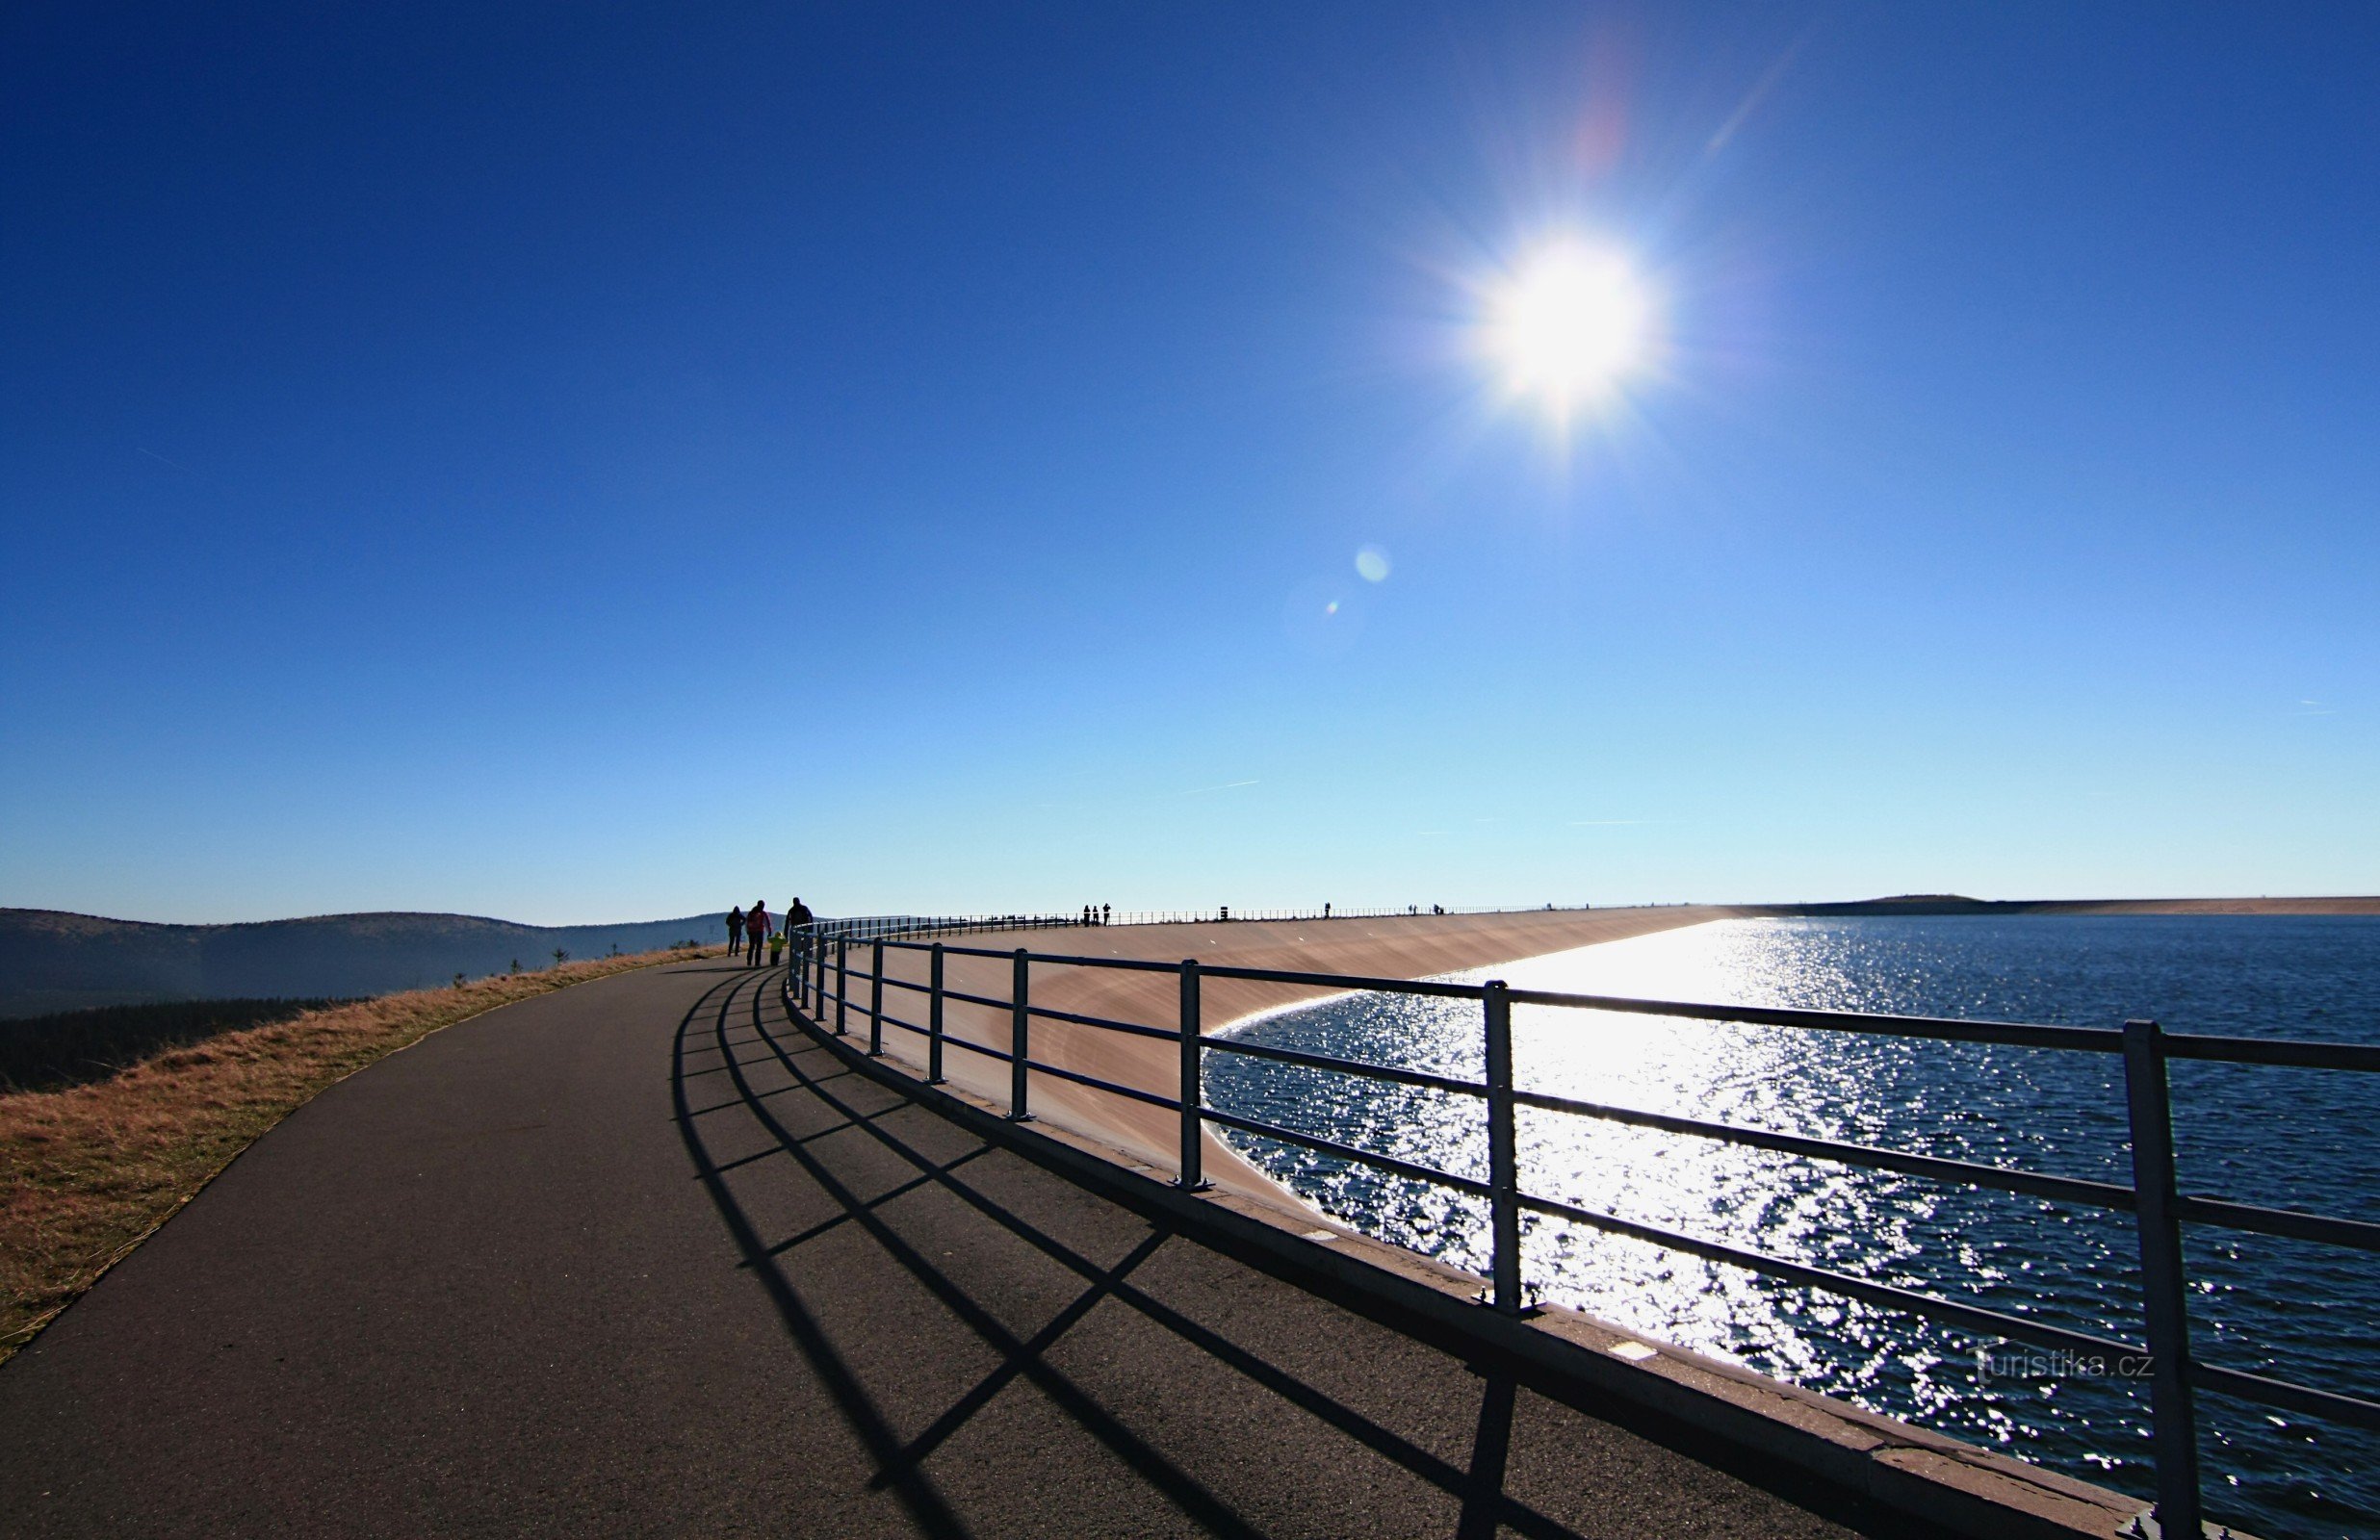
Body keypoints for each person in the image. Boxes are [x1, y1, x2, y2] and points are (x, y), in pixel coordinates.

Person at [744, 899, 770, 966]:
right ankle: (757, 962)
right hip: (759, 931)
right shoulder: (763, 913)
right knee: (759, 947)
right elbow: (767, 923)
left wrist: (747, 930)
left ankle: (749, 961)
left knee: (751, 946)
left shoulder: (751, 913)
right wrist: (769, 931)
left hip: (751, 931)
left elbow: (747, 923)